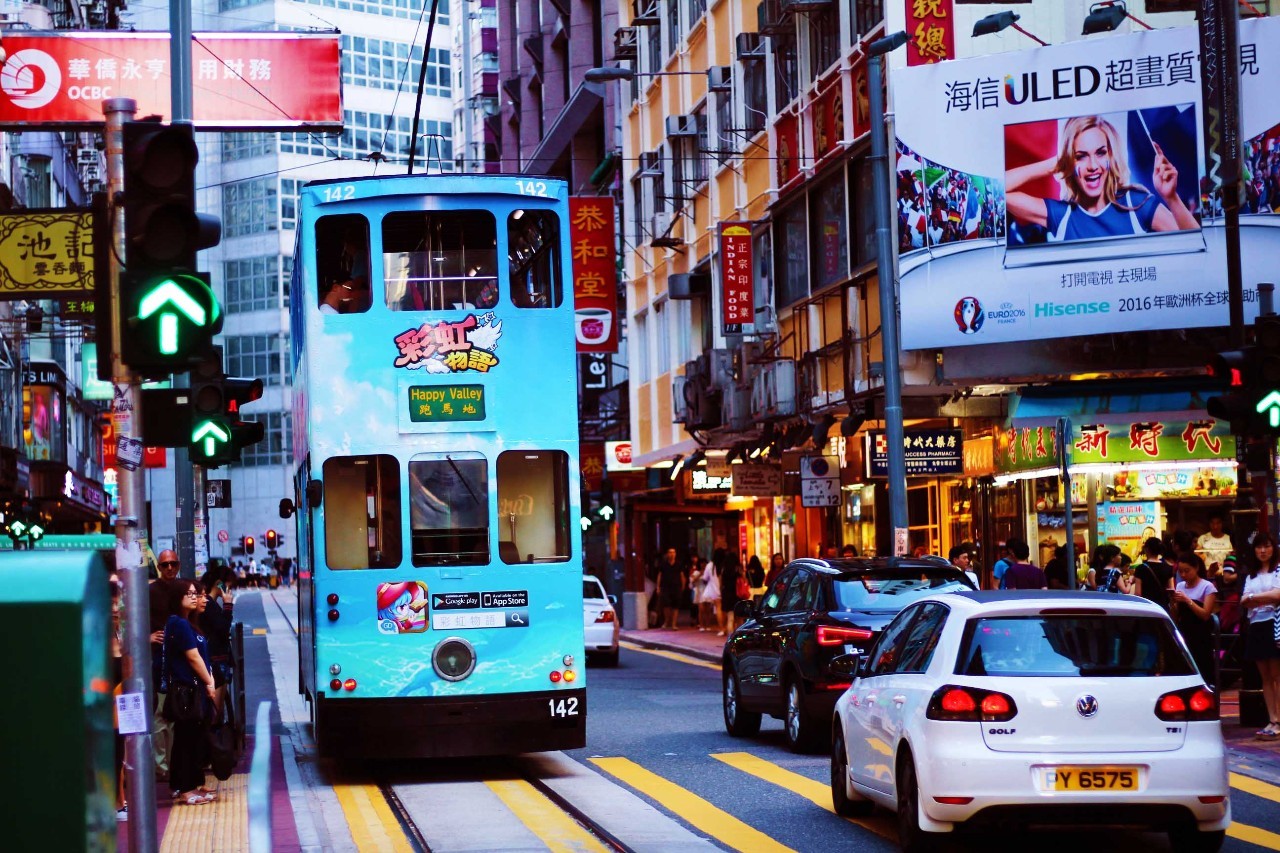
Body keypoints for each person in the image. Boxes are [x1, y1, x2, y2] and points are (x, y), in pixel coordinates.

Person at [1006, 114, 1198, 243]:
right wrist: (1051, 165)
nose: (1092, 166)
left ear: (1111, 156)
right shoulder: (1061, 214)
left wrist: (1171, 198)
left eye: (1100, 153)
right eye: (1080, 156)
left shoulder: (1137, 204)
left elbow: (1195, 244)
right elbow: (997, 191)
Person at [163, 581, 217, 805]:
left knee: (189, 738)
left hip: (193, 689)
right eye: (189, 594)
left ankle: (188, 784)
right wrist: (209, 682)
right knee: (187, 739)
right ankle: (186, 788)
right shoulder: (179, 624)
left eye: (196, 594)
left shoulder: (187, 624)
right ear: (177, 597)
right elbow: (193, 657)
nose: (195, 598)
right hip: (188, 691)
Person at [1241, 533, 1280, 739]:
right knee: (1265, 677)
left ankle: (1278, 720)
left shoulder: (1278, 571)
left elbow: (1277, 596)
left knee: (1277, 675)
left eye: (1266, 546)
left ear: (1273, 548)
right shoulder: (1251, 576)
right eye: (1259, 547)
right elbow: (1243, 600)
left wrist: (1254, 598)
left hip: (1274, 625)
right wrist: (1261, 599)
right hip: (1256, 626)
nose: (1263, 551)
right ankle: (1272, 719)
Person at [1170, 552, 1217, 681]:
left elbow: (1205, 614)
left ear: (1196, 568)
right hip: (1184, 630)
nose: (1184, 575)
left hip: (1200, 633)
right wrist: (1173, 603)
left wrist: (1187, 600)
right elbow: (1176, 615)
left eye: (1187, 571)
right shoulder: (1180, 586)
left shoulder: (1207, 586)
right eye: (1181, 572)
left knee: (1202, 666)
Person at [320, 225, 371, 314]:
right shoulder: (328, 313)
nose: (352, 294)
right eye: (349, 289)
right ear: (335, 288)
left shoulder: (327, 311)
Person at [655, 548, 685, 630]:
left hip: (676, 587)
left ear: (675, 554)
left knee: (676, 606)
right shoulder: (663, 564)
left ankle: (674, 624)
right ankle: (667, 621)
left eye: (673, 552)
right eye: (670, 552)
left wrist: (683, 586)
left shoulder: (679, 564)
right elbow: (659, 575)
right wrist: (658, 587)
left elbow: (682, 576)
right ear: (667, 554)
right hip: (665, 587)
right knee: (666, 605)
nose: (672, 554)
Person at [698, 551, 722, 634]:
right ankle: (725, 627)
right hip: (724, 590)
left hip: (714, 590)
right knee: (725, 610)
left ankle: (721, 628)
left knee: (717, 609)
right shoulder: (724, 564)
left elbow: (705, 578)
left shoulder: (710, 565)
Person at [720, 557, 743, 635]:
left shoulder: (724, 571)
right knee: (739, 619)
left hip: (727, 596)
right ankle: (739, 635)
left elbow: (721, 585)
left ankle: (730, 636)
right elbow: (744, 581)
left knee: (730, 619)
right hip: (737, 596)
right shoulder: (738, 571)